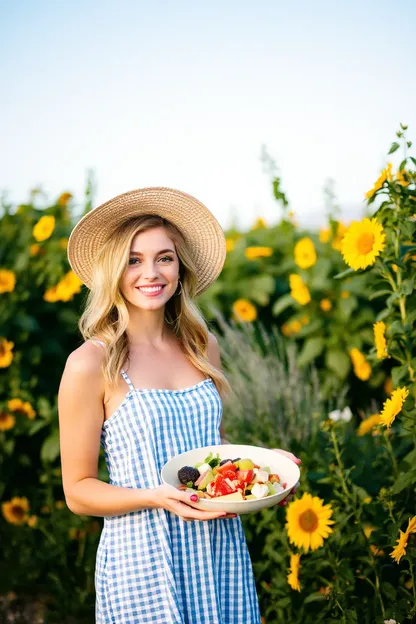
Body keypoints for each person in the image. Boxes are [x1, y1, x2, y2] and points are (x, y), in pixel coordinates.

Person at [58, 187, 301, 624]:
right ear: (114, 269)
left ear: (180, 266)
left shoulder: (202, 346)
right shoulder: (90, 363)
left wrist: (264, 468)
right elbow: (77, 490)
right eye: (134, 259)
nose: (150, 272)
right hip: (144, 556)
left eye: (164, 257)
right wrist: (156, 497)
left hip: (217, 549)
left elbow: (213, 449)